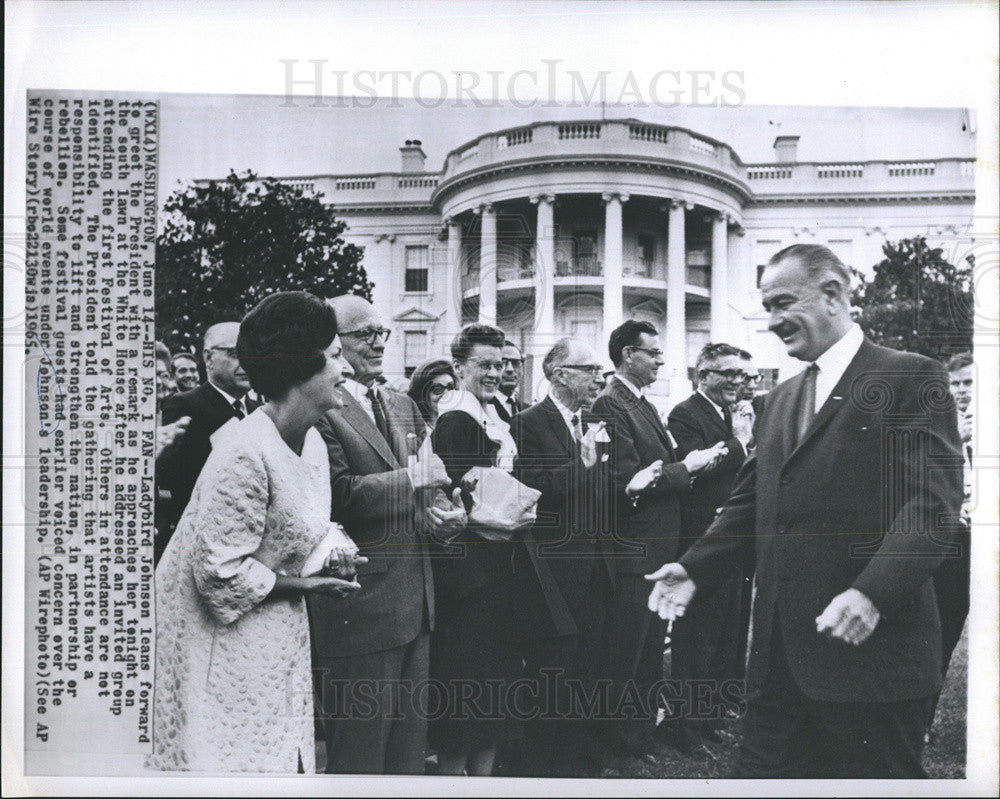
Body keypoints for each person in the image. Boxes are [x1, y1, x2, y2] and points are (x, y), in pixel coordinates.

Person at [647, 244, 964, 778]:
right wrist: (695, 564)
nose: (771, 322)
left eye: (782, 303)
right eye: (766, 307)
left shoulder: (910, 377)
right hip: (776, 667)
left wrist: (872, 591)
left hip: (871, 661)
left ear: (833, 294)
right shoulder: (779, 399)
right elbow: (751, 504)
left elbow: (932, 507)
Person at [149, 291, 362, 772]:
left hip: (277, 636)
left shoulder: (312, 441)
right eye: (333, 357)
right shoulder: (243, 450)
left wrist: (330, 555)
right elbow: (218, 575)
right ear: (298, 367)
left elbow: (294, 530)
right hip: (217, 647)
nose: (344, 370)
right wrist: (307, 585)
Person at [309, 294, 461, 776]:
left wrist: (443, 518)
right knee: (360, 755)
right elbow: (334, 495)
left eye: (382, 333)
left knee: (407, 757)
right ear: (332, 343)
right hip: (362, 606)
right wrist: (411, 483)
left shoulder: (400, 403)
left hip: (417, 605)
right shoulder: (321, 406)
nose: (378, 343)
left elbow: (428, 489)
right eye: (364, 335)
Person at [590, 320, 726, 755]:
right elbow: (628, 477)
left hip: (655, 549)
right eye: (653, 353)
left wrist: (686, 467)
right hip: (636, 550)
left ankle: (637, 738)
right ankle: (615, 745)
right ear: (628, 355)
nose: (661, 360)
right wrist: (689, 467)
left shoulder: (640, 403)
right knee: (626, 655)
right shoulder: (612, 404)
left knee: (648, 651)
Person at [509, 337, 616, 776]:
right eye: (590, 369)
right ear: (559, 374)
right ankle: (541, 773)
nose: (600, 377)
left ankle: (574, 769)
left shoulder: (591, 422)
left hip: (595, 573)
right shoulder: (527, 424)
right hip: (552, 579)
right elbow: (530, 489)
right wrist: (583, 465)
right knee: (551, 677)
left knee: (587, 673)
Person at [429, 324, 522, 776]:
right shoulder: (458, 420)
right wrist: (517, 508)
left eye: (499, 364)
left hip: (494, 572)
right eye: (484, 364)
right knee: (467, 698)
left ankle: (483, 783)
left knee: (490, 697)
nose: (494, 372)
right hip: (469, 580)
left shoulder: (489, 416)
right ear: (459, 367)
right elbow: (461, 500)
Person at [666, 342, 755, 746]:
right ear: (704, 375)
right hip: (701, 542)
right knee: (697, 639)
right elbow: (697, 469)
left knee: (724, 637)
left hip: (733, 542)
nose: (738, 382)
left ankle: (707, 719)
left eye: (742, 375)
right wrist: (740, 441)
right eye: (729, 374)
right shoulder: (685, 414)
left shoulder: (729, 413)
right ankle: (684, 727)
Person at [156, 322, 259, 561]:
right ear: (209, 358)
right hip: (206, 544)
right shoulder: (185, 405)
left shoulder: (258, 411)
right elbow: (178, 480)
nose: (246, 363)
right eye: (235, 354)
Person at [927, 352, 973, 736]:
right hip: (956, 543)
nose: (962, 392)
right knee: (943, 628)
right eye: (955, 385)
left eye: (969, 383)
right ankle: (921, 717)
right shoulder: (942, 428)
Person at [407, 358, 458, 430]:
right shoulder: (414, 429)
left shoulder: (463, 425)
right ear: (422, 395)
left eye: (451, 387)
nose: (447, 394)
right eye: (438, 389)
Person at [490, 339, 528, 423]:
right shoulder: (481, 407)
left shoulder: (529, 410)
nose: (510, 369)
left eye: (515, 363)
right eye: (503, 363)